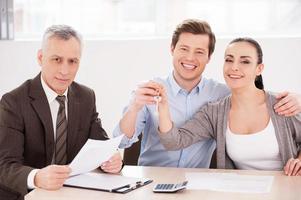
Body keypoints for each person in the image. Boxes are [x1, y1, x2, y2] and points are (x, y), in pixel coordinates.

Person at [113, 19, 301, 168]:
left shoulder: (227, 96)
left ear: (209, 57)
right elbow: (121, 142)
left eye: (199, 52)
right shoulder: (150, 91)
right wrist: (138, 107)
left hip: (202, 184)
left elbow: (252, 92)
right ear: (172, 49)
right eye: (184, 48)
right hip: (155, 178)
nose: (190, 58)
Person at [0, 25, 123, 196]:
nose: (65, 71)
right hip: (29, 196)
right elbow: (5, 166)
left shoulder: (86, 97)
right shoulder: (13, 102)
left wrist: (113, 159)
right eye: (57, 60)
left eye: (72, 61)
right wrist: (36, 177)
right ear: (40, 58)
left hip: (71, 194)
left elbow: (101, 145)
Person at [157, 37, 301, 175]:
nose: (234, 67)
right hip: (242, 192)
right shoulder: (215, 112)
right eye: (229, 60)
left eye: (245, 61)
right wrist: (163, 106)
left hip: (287, 187)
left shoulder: (283, 104)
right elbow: (174, 142)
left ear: (259, 69)